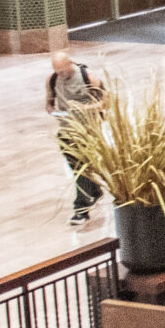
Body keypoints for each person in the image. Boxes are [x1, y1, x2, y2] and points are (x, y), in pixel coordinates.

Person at [46, 49, 104, 226]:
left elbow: (106, 102)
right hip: (66, 130)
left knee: (82, 168)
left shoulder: (89, 78)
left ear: (69, 63)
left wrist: (84, 109)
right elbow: (48, 103)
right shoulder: (53, 80)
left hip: (88, 130)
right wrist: (54, 112)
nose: (60, 74)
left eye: (62, 70)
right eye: (57, 70)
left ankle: (81, 209)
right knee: (76, 167)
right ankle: (94, 190)